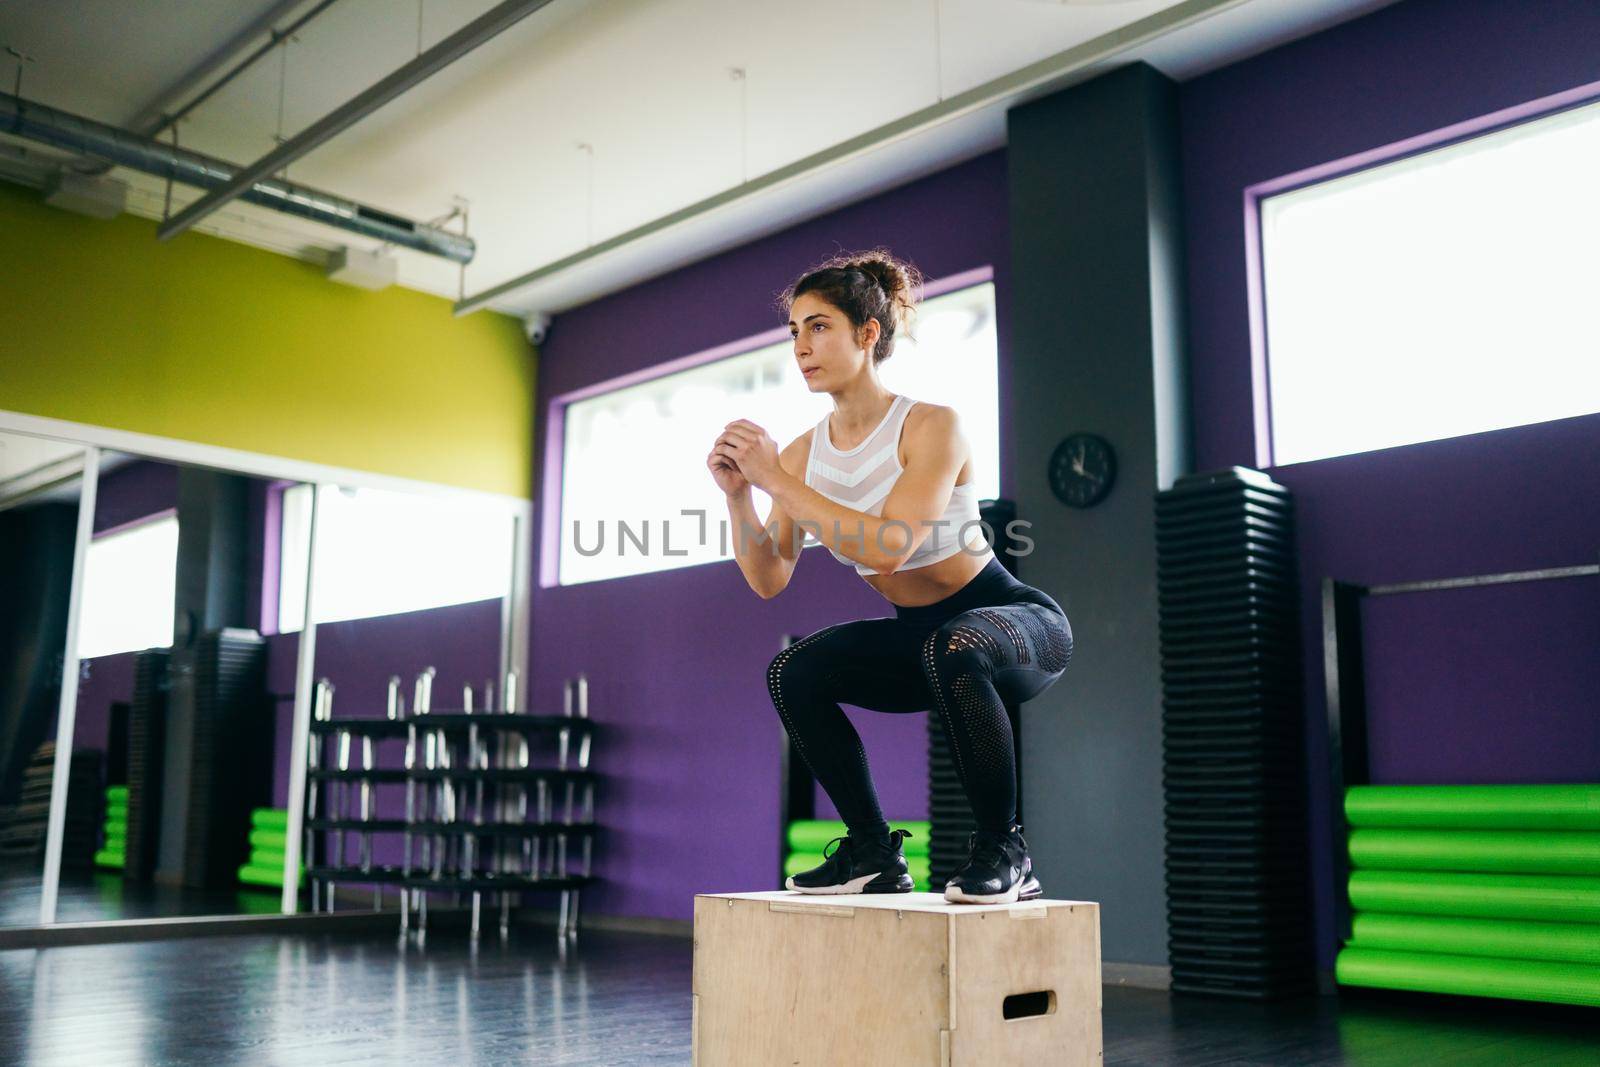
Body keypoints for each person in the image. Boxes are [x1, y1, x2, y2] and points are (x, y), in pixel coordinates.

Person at [707, 249, 1073, 905]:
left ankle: (1006, 848)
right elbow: (768, 576)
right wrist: (740, 495)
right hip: (923, 638)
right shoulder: (802, 455)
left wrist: (775, 480)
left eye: (818, 326)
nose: (801, 345)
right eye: (794, 330)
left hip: (1013, 622)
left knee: (954, 644)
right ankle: (873, 849)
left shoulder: (931, 425)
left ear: (867, 333)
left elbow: (887, 551)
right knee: (793, 670)